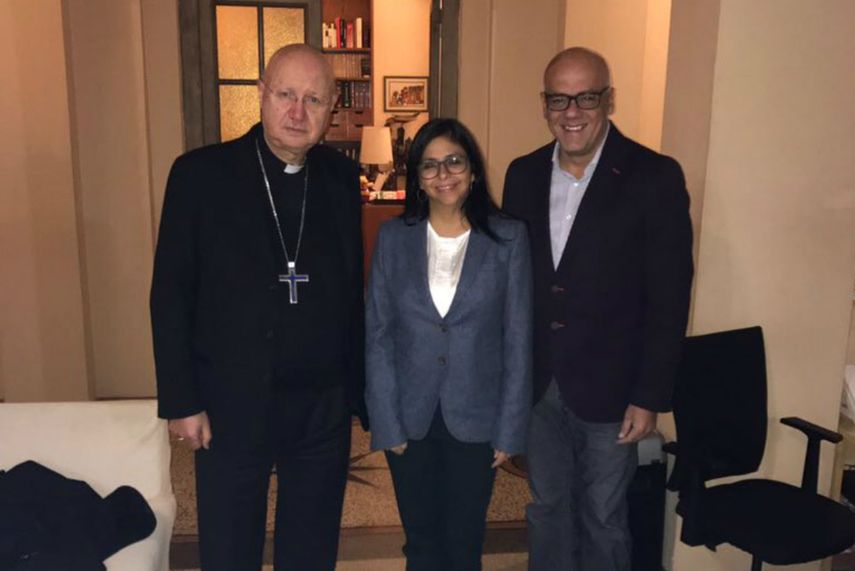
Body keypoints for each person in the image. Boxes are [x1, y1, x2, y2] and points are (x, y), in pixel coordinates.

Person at [150, 44, 366, 571]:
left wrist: (357, 391)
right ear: (261, 95)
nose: (298, 112)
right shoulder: (199, 175)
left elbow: (350, 290)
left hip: (320, 405)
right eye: (287, 95)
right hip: (230, 400)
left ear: (332, 108)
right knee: (229, 545)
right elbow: (170, 293)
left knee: (312, 545)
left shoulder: (339, 180)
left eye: (314, 99)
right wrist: (182, 399)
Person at [502, 47, 694, 570]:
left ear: (609, 99)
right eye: (559, 99)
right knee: (546, 510)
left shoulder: (653, 177)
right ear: (544, 104)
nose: (572, 112)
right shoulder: (521, 176)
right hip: (540, 386)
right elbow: (512, 283)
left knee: (603, 517)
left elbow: (670, 298)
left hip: (614, 391)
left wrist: (649, 394)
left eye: (586, 97)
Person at [365, 118, 533, 570]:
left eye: (453, 161)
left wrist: (510, 428)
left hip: (477, 420)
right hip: (409, 419)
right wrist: (386, 420)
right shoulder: (393, 238)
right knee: (420, 543)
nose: (443, 174)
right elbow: (377, 335)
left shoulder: (508, 238)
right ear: (417, 178)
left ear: (473, 170)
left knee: (463, 545)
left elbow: (518, 339)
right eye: (430, 165)